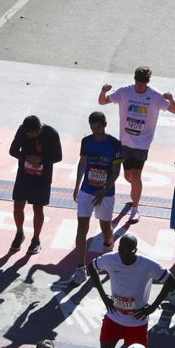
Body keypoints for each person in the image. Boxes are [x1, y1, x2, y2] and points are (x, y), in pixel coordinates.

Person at [98, 69, 175, 219]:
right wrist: (103, 91)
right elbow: (102, 101)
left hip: (142, 144)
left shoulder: (155, 96)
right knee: (128, 176)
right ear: (134, 79)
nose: (140, 85)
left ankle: (135, 208)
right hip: (125, 142)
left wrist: (171, 99)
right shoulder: (124, 92)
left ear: (148, 82)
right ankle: (135, 189)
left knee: (136, 175)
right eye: (138, 82)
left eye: (143, 82)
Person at [68, 112, 123, 268]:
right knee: (82, 226)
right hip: (87, 190)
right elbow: (82, 162)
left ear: (105, 124)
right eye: (92, 128)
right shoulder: (86, 141)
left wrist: (104, 189)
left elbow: (116, 171)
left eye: (98, 128)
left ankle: (108, 246)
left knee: (105, 227)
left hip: (106, 193)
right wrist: (77, 186)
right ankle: (80, 267)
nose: (96, 132)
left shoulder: (115, 144)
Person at [8, 116, 64, 246]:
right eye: (28, 134)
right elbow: (13, 150)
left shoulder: (52, 133)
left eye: (32, 133)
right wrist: (27, 157)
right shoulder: (22, 130)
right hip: (24, 176)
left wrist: (41, 160)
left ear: (39, 129)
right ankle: (19, 233)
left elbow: (58, 156)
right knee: (18, 206)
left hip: (42, 178)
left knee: (38, 208)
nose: (30, 136)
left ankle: (36, 239)